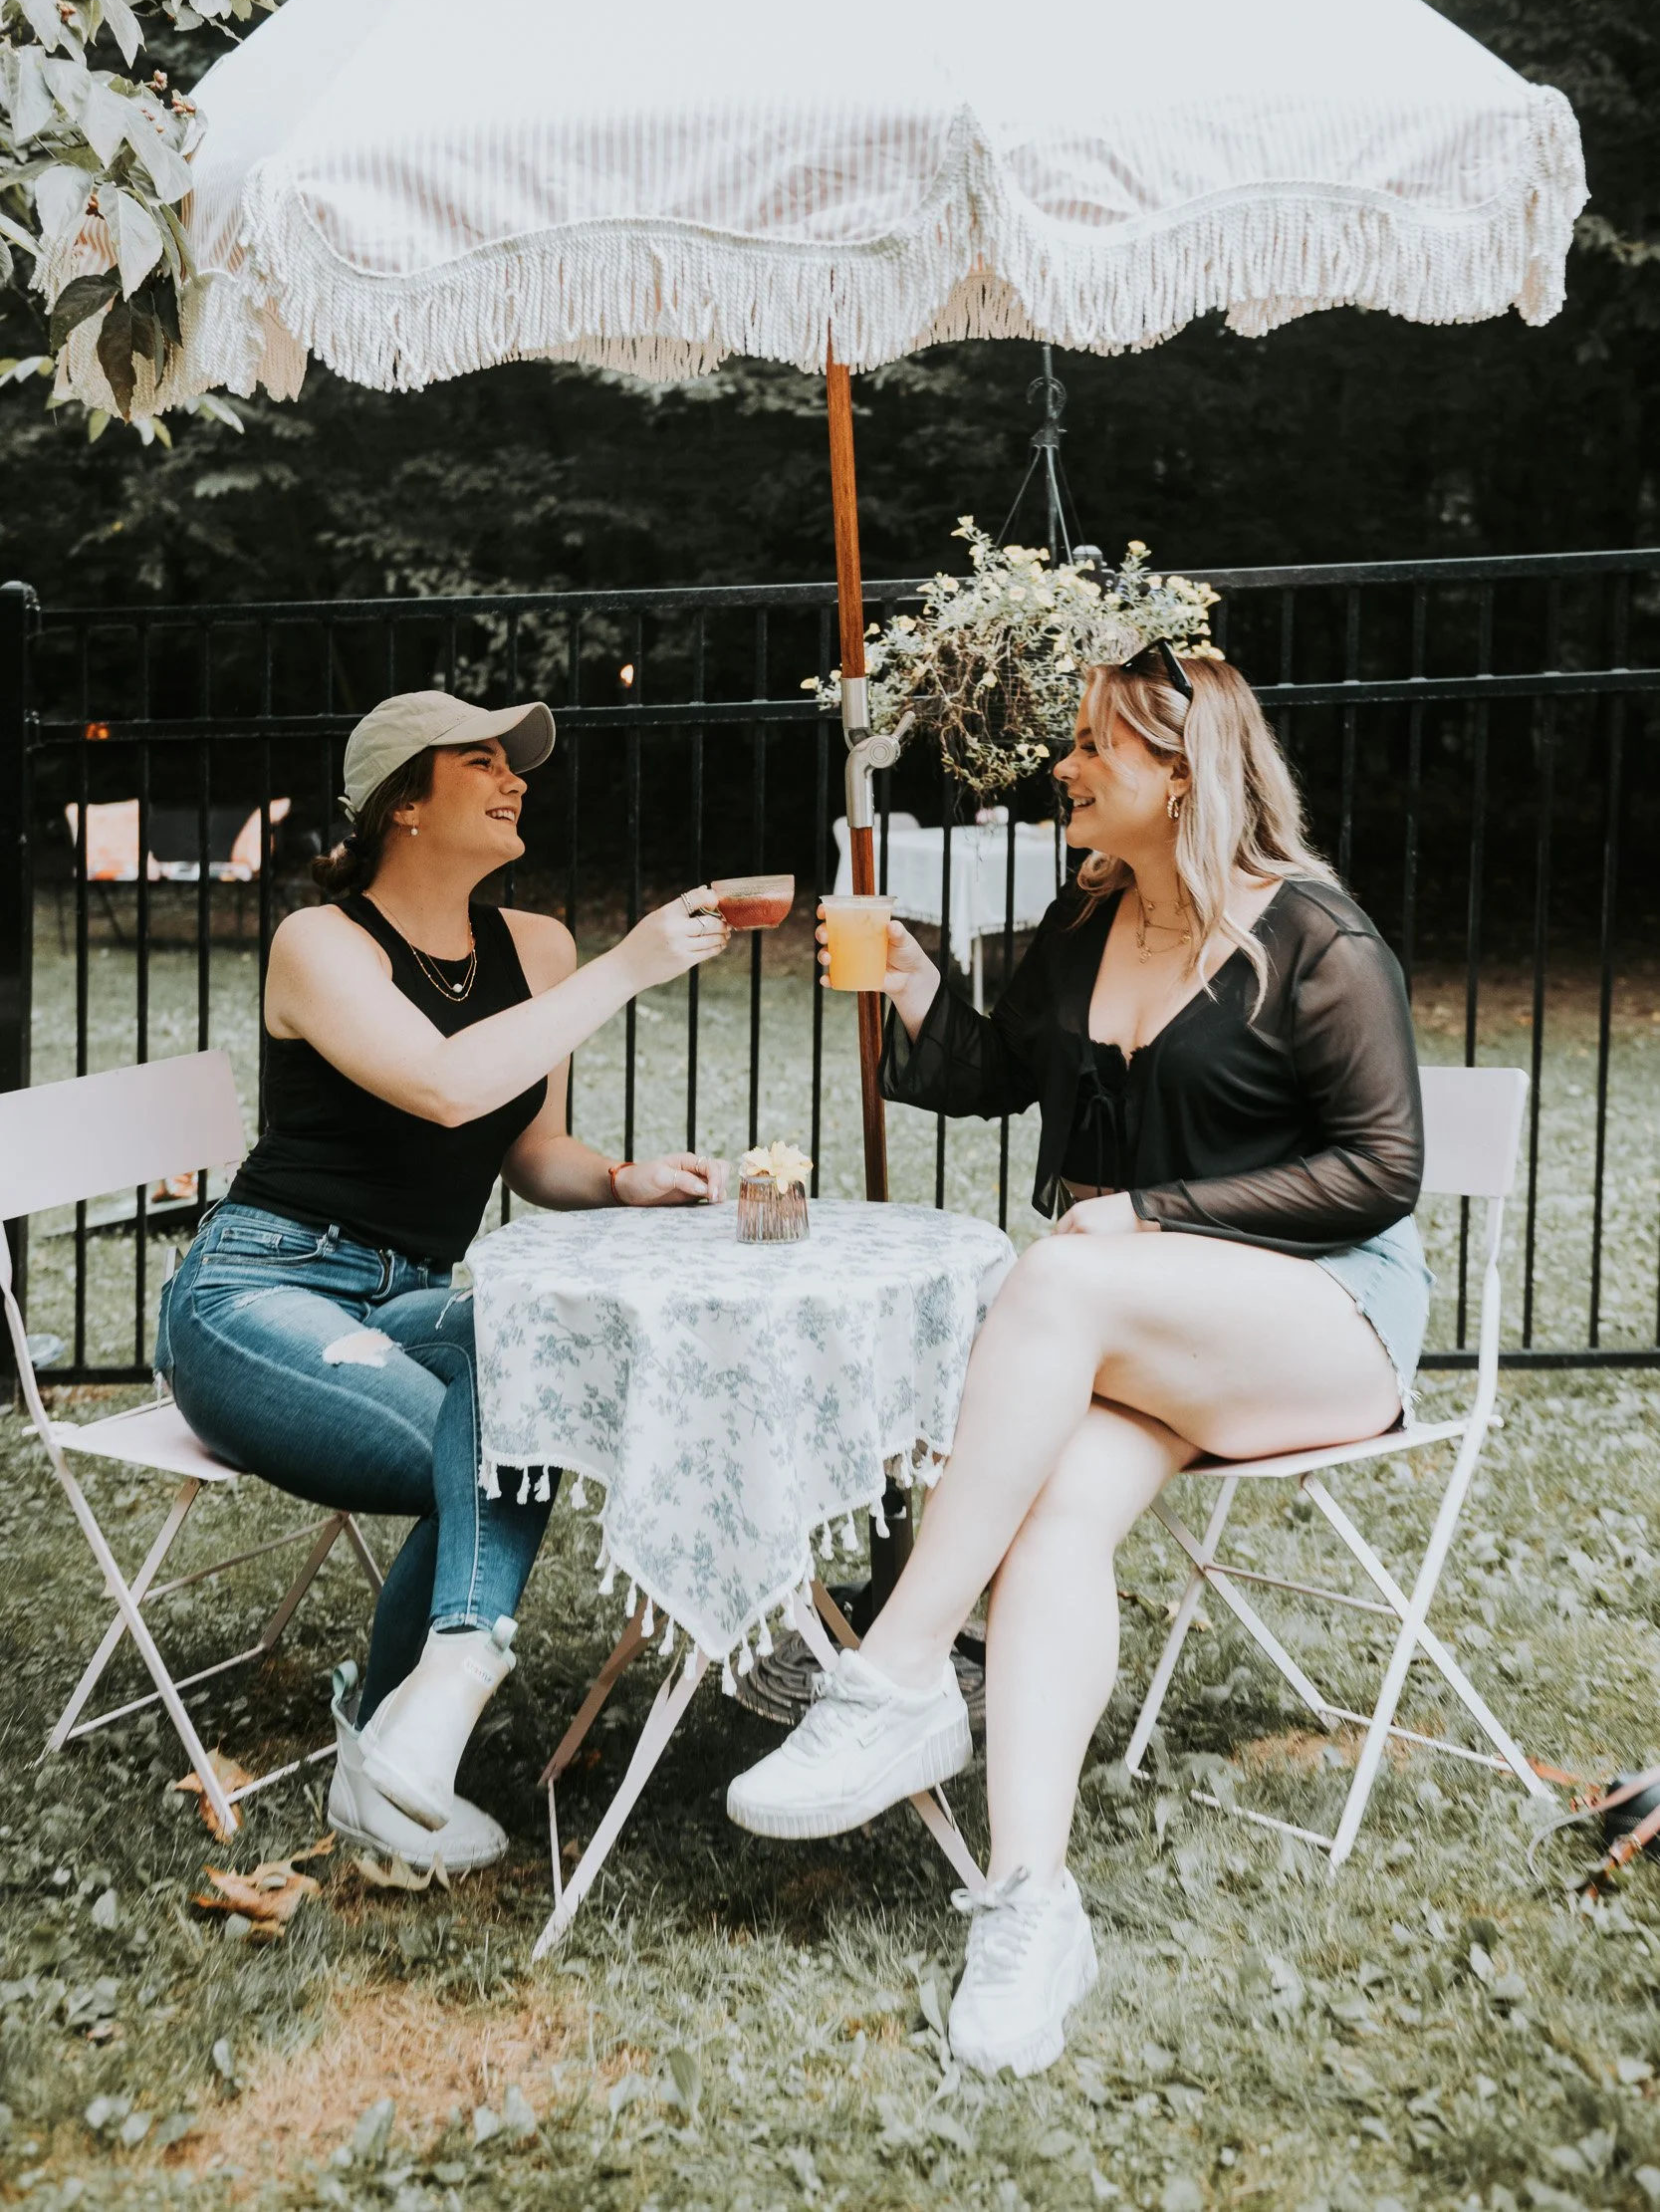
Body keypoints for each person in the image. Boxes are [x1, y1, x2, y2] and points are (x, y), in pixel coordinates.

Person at [726, 647, 1429, 2078]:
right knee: (1050, 1516)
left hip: (1315, 1324)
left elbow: (1379, 1169)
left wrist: (1151, 1214)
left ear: (1179, 769)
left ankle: (902, 1669)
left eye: (1092, 748)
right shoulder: (1086, 916)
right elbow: (993, 1075)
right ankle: (1030, 1903)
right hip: (1143, 1332)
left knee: (1053, 1270)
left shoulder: (1314, 941)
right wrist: (917, 980)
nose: (1064, 768)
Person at [158, 690, 730, 1872]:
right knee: (484, 1436)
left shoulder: (539, 949)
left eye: (514, 762)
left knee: (537, 1352)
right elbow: (444, 1085)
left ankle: (394, 1745)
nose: (513, 777)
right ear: (402, 803)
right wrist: (627, 968)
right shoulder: (321, 942)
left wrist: (623, 1178)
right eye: (479, 760)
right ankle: (439, 1688)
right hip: (257, 1290)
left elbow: (529, 1149)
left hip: (406, 1292)